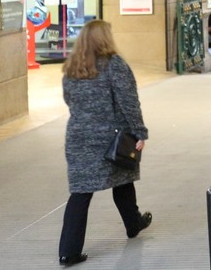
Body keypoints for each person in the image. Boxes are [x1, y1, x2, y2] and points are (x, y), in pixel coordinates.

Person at [59, 20, 151, 267]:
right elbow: (129, 102)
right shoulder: (114, 65)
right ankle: (133, 224)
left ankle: (68, 251)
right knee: (123, 176)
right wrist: (139, 131)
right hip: (111, 137)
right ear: (105, 38)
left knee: (81, 193)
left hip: (78, 138)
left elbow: (69, 100)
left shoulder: (71, 67)